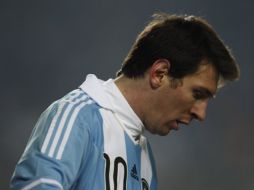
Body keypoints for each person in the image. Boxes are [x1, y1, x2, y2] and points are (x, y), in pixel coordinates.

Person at [10, 12, 240, 190]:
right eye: (198, 94)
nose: (201, 113)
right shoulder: (77, 116)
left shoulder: (145, 159)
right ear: (159, 73)